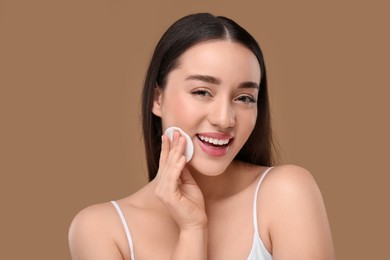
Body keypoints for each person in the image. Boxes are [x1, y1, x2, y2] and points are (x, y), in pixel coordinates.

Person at [68, 13, 335, 260]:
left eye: (244, 98)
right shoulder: (102, 229)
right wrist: (193, 230)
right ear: (157, 98)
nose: (225, 119)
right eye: (202, 92)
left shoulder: (286, 193)